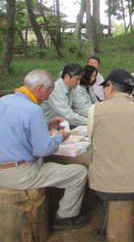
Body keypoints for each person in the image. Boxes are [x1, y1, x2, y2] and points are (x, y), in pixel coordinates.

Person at [0, 70, 88, 230]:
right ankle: (64, 217)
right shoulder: (33, 110)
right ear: (40, 88)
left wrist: (46, 125)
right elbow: (43, 149)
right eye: (48, 92)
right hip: (19, 174)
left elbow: (16, 129)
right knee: (79, 173)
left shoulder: (4, 101)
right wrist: (60, 136)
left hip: (4, 168)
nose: (48, 97)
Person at [88, 69, 134, 240]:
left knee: (107, 173)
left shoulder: (95, 110)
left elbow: (91, 138)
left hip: (101, 186)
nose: (103, 90)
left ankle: (102, 232)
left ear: (110, 86)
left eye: (104, 87)